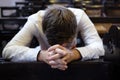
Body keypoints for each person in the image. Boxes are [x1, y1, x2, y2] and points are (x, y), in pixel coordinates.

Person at [2, 5, 104, 70]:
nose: (61, 48)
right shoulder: (35, 20)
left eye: (66, 43)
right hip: (42, 68)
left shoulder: (80, 17)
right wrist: (41, 55)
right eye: (54, 44)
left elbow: (99, 47)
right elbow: (8, 50)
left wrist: (74, 54)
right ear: (44, 29)